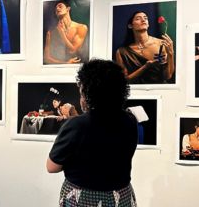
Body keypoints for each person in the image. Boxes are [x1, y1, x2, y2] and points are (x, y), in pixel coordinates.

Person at [47, 59, 138, 206]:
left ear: (89, 93)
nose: (81, 97)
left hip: (83, 198)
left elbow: (52, 167)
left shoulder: (76, 125)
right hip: (121, 196)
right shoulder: (130, 120)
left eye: (82, 92)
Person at [115, 11, 175, 84]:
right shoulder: (122, 52)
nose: (143, 20)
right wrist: (145, 67)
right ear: (130, 25)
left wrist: (171, 54)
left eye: (145, 18)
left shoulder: (161, 44)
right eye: (138, 19)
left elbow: (167, 76)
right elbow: (123, 81)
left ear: (148, 24)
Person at [43, 0, 88, 64]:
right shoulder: (50, 33)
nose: (57, 9)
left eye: (60, 6)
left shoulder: (81, 27)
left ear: (68, 9)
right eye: (55, 9)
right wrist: (65, 63)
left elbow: (73, 50)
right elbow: (46, 58)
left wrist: (62, 34)